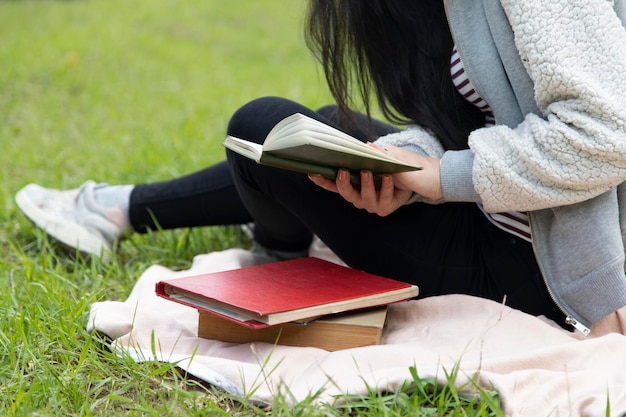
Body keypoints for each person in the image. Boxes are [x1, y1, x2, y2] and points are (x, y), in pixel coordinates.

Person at [15, 0, 626, 335]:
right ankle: (119, 209)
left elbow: (607, 133)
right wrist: (415, 162)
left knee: (259, 125)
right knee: (327, 130)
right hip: (502, 217)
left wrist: (442, 180)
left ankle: (266, 241)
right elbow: (472, 123)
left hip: (541, 267)